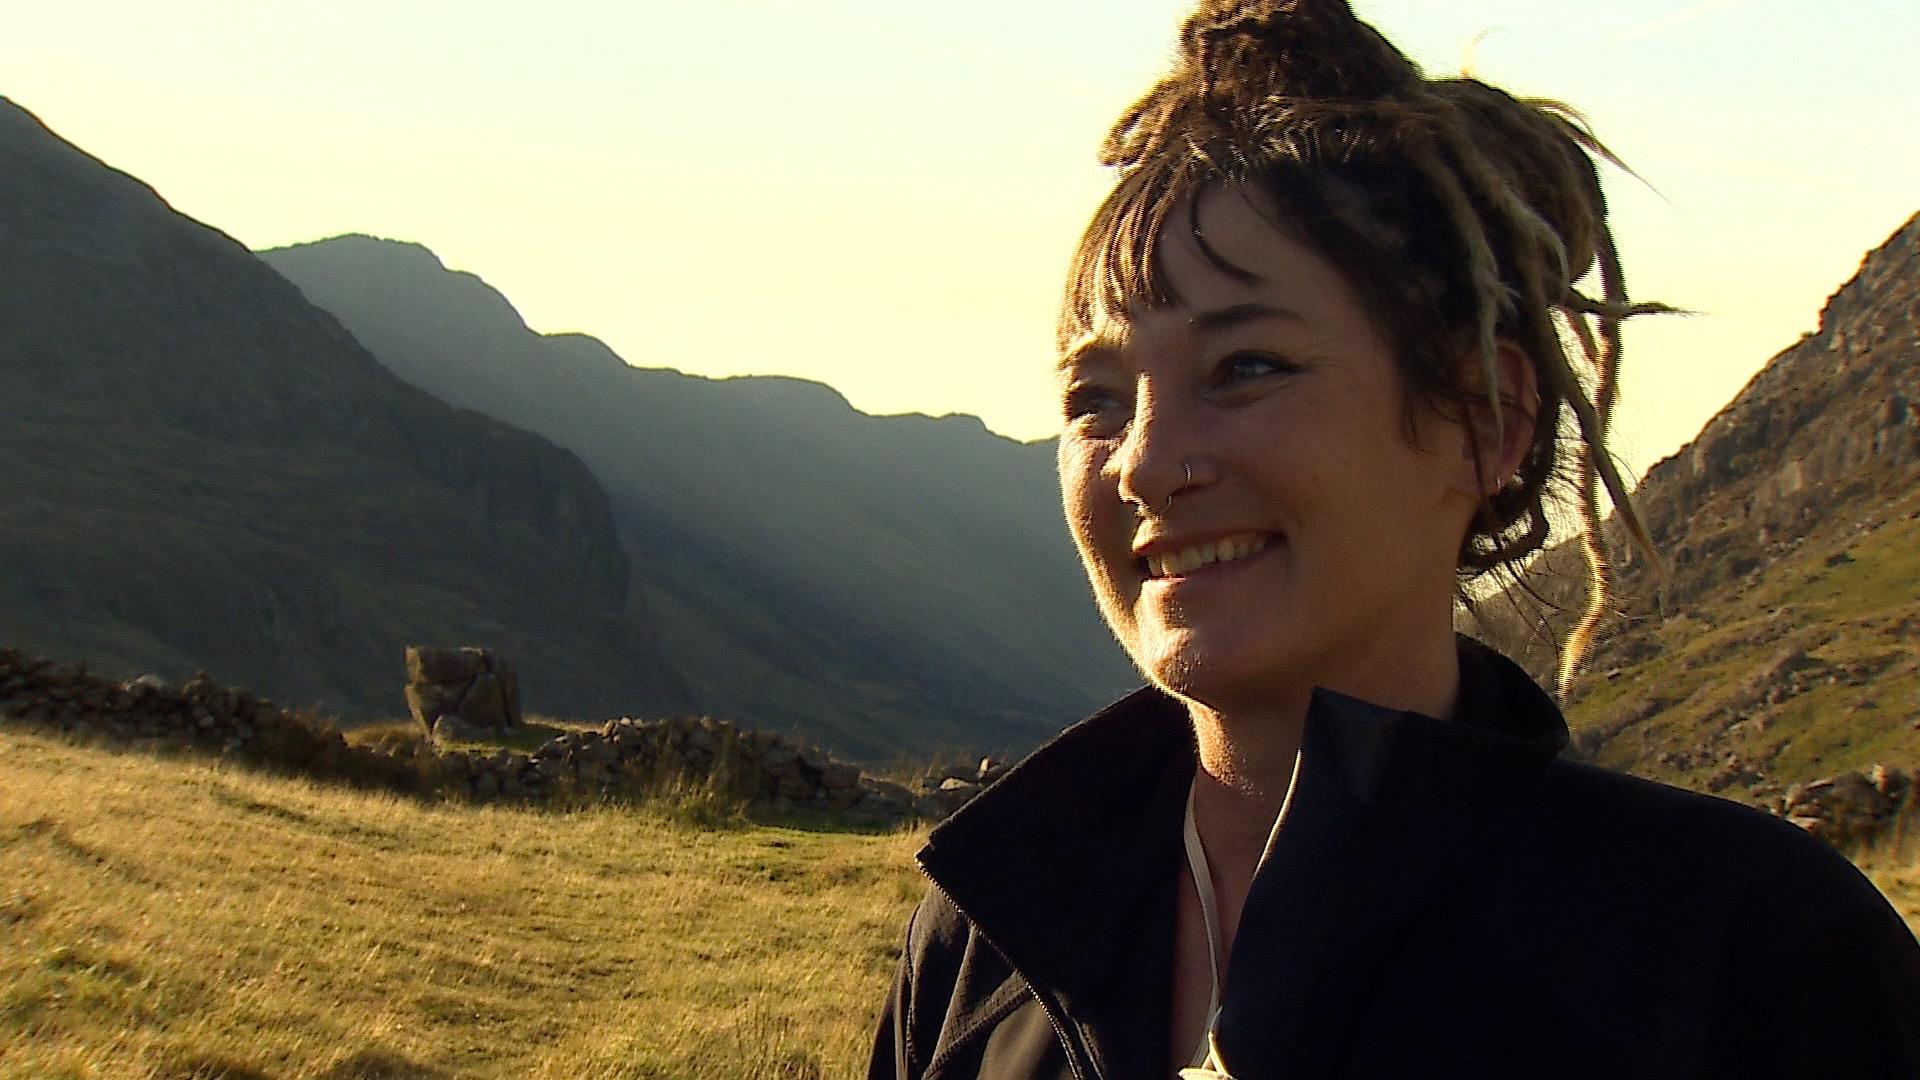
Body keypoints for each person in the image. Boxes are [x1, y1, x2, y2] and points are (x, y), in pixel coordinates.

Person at [866, 1, 1920, 1077]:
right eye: (1096, 399)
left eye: (1248, 368)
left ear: (1484, 420)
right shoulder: (977, 950)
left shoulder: (1747, 959)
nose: (1143, 460)